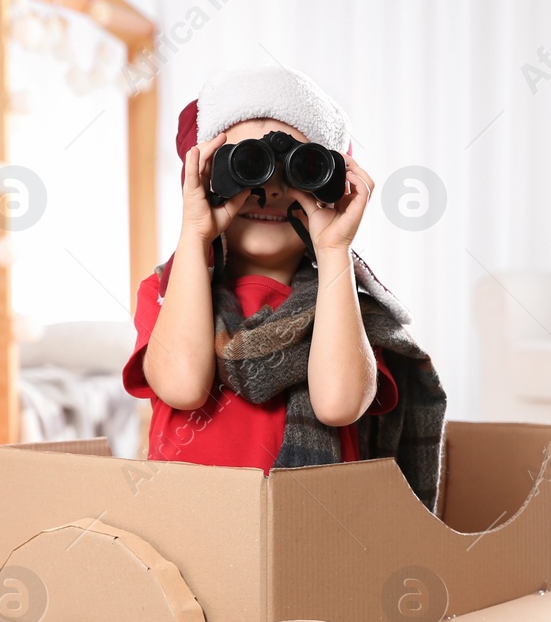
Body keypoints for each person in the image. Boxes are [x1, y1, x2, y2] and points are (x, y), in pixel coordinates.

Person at [122, 65, 447, 509]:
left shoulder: (351, 309)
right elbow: (182, 386)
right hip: (190, 524)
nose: (268, 189)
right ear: (202, 177)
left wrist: (335, 249)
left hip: (309, 535)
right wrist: (195, 233)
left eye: (299, 167)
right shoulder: (168, 289)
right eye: (246, 165)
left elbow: (338, 404)